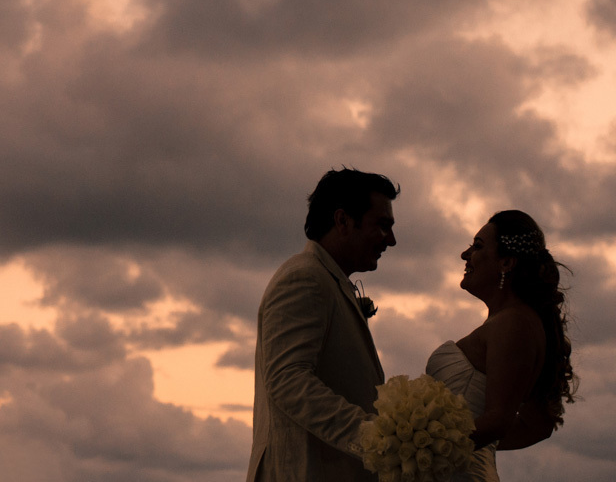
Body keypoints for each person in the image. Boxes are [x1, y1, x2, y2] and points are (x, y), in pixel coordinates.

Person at [247, 168, 399, 482]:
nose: (392, 240)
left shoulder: (326, 280)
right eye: (383, 226)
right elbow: (288, 380)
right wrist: (375, 437)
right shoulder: (304, 278)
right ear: (342, 221)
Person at [425, 210, 576, 481]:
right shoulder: (513, 321)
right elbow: (537, 425)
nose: (465, 254)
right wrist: (473, 449)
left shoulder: (513, 323)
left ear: (506, 263)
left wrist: (421, 446)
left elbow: (498, 419)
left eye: (478, 246)